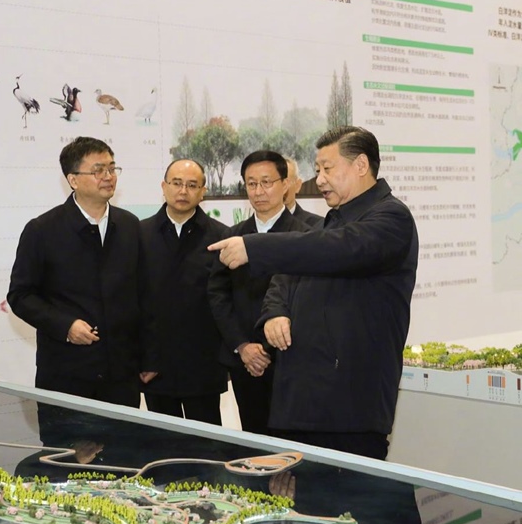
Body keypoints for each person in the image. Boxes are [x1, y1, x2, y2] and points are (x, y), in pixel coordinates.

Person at [209, 126, 419, 460]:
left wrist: (254, 247)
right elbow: (284, 279)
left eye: (327, 169)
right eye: (317, 170)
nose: (319, 180)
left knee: (349, 492)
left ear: (360, 165)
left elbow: (338, 249)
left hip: (349, 407)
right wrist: (275, 313)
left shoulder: (390, 218)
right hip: (300, 403)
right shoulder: (330, 223)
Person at [8, 136, 142, 408]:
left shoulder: (130, 225)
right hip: (66, 374)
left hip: (121, 376)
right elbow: (20, 296)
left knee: (125, 437)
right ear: (73, 180)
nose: (108, 177)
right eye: (98, 170)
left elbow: (145, 293)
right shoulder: (42, 230)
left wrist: (148, 357)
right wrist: (65, 326)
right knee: (66, 438)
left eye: (112, 168)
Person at [208, 150, 310, 434]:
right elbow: (218, 295)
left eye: (266, 182)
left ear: (285, 184)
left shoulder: (305, 236)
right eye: (251, 184)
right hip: (244, 361)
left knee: (293, 442)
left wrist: (267, 350)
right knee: (253, 440)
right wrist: (243, 346)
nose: (258, 191)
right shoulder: (232, 235)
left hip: (291, 360)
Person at [139, 159, 229, 424]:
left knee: (206, 443)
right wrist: (143, 358)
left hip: (204, 366)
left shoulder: (221, 237)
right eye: (176, 183)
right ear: (164, 187)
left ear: (203, 192)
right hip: (155, 366)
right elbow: (132, 302)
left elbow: (225, 302)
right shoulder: (139, 234)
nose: (183, 191)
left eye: (192, 185)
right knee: (163, 441)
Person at [284, 156, 323, 228]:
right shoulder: (260, 226)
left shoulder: (317, 225)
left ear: (298, 185)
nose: (279, 188)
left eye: (285, 182)